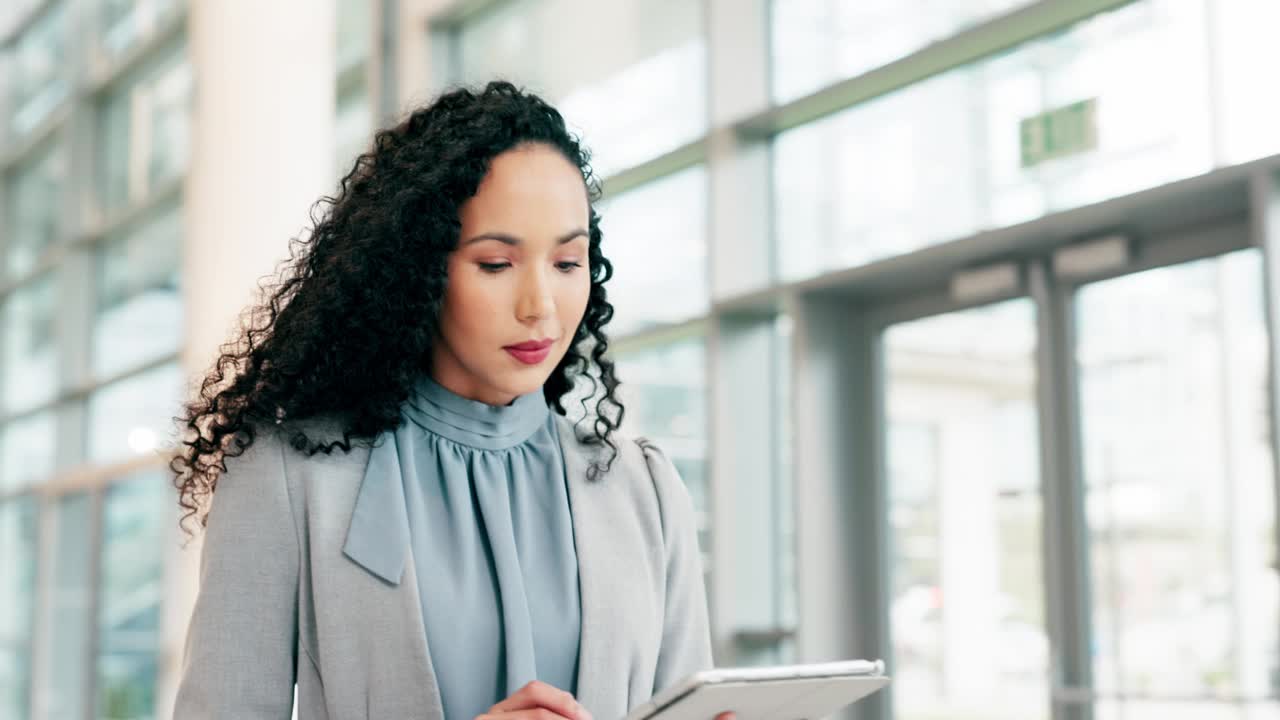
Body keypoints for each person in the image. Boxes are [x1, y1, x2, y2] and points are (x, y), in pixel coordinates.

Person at [170, 81, 722, 720]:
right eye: (495, 264)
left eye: (569, 262)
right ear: (417, 268)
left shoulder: (643, 488)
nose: (540, 306)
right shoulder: (289, 476)